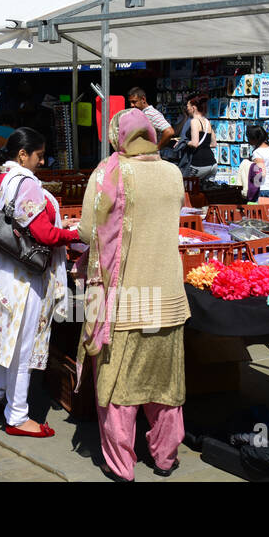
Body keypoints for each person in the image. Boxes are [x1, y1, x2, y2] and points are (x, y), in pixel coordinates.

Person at [78, 108, 189, 482]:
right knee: (165, 384)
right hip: (168, 297)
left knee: (117, 387)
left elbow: (86, 230)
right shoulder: (174, 173)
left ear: (117, 138)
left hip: (123, 299)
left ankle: (122, 467)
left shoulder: (108, 173)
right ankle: (165, 458)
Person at [0, 127, 80, 437]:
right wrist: (76, 234)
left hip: (4, 271)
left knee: (9, 339)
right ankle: (18, 415)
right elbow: (45, 235)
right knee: (22, 344)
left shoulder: (3, 179)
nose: (42, 159)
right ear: (23, 155)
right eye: (38, 154)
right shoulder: (28, 186)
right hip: (25, 276)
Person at [182, 95, 218, 182]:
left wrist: (184, 142)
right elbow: (214, 144)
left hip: (199, 164)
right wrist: (204, 145)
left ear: (193, 108)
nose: (187, 109)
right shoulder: (207, 122)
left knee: (187, 188)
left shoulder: (194, 121)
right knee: (207, 192)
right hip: (212, 164)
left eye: (188, 106)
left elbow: (194, 143)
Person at [246, 125, 269, 199]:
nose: (247, 140)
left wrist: (252, 190)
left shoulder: (257, 153)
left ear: (254, 138)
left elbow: (261, 173)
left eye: (248, 137)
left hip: (263, 188)